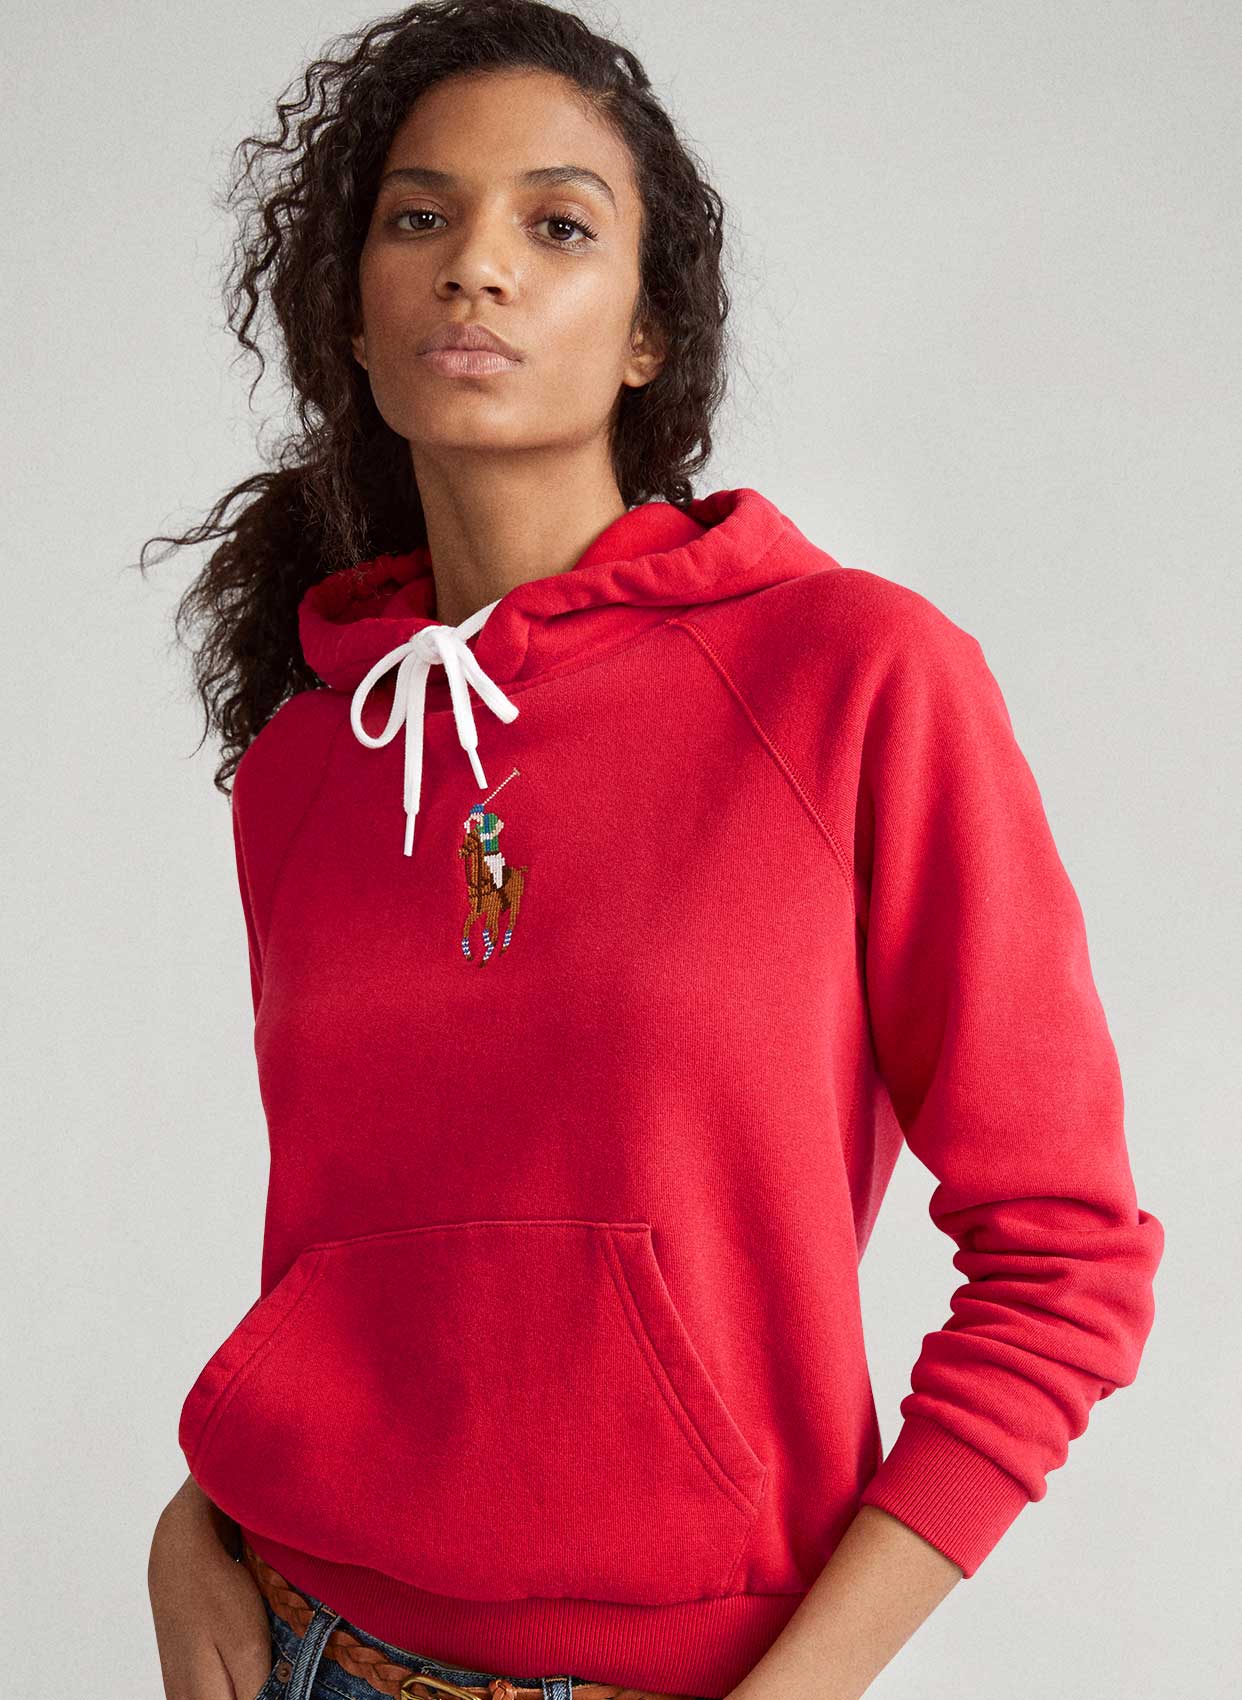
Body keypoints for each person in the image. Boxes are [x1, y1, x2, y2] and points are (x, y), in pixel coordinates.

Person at [144, 3, 1166, 1699]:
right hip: (295, 1645)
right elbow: (372, 1255)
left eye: (556, 226)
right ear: (353, 315)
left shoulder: (851, 677)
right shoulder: (314, 762)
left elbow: (1065, 1257)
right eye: (418, 217)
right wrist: (199, 1518)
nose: (477, 267)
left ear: (646, 334)